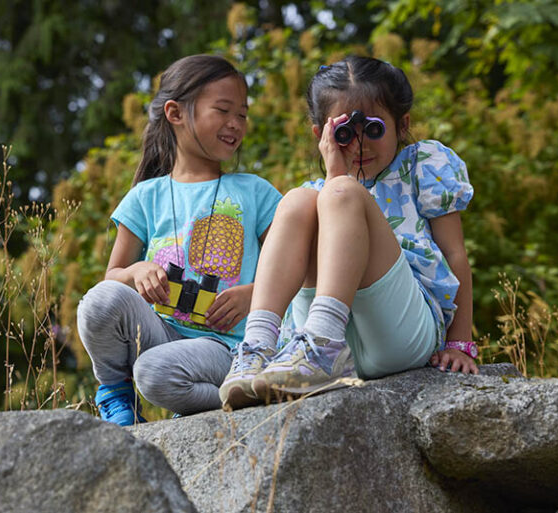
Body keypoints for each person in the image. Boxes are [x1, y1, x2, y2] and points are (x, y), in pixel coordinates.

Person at [219, 55, 477, 410]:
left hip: (402, 333)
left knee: (340, 193)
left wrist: (459, 344)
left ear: (402, 125)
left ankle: (323, 345)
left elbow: (455, 255)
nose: (359, 145)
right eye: (344, 133)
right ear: (322, 135)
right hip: (334, 346)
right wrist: (334, 176)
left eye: (373, 129)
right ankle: (258, 349)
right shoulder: (317, 194)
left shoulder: (422, 165)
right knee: (297, 200)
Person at [77, 54, 281, 425]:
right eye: (223, 110)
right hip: (160, 333)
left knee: (154, 373)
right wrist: (137, 270)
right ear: (175, 113)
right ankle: (115, 394)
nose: (235, 124)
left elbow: (297, 266)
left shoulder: (256, 193)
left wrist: (254, 294)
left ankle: (242, 390)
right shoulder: (145, 197)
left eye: (243, 114)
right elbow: (112, 277)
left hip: (228, 347)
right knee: (98, 302)